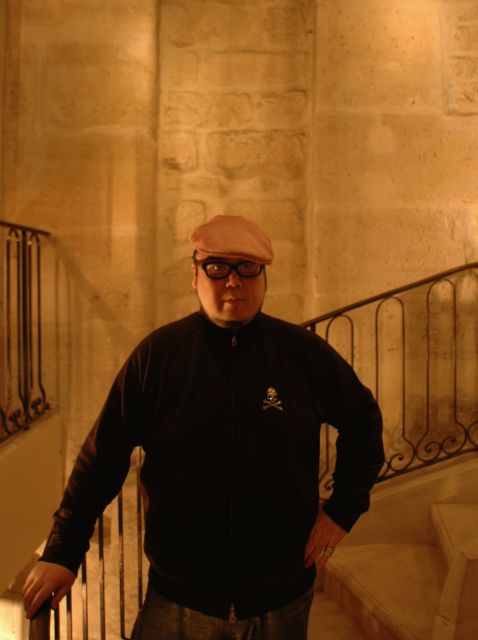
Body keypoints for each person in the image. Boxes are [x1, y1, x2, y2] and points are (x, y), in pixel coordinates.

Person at [23, 215, 384, 639]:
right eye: (217, 267)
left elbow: (363, 421)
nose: (233, 281)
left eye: (247, 267)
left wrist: (342, 510)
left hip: (281, 601)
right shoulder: (158, 358)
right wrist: (62, 552)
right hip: (177, 601)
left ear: (263, 276)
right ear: (194, 275)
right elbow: (102, 458)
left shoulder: (302, 355)